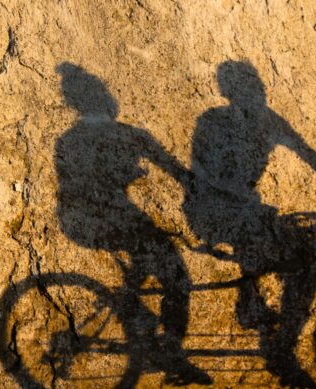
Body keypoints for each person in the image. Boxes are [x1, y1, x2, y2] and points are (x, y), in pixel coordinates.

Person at [185, 60, 316, 387]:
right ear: (229, 91)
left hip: (247, 207)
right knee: (268, 231)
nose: (256, 92)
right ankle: (257, 314)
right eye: (247, 86)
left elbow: (307, 152)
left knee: (303, 252)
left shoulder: (269, 120)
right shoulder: (213, 120)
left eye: (258, 86)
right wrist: (238, 194)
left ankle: (278, 335)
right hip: (210, 206)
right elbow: (201, 171)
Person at [54, 62, 211, 385]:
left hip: (85, 221)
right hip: (101, 218)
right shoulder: (120, 136)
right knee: (177, 274)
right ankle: (169, 353)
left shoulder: (73, 139)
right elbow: (177, 172)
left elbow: (176, 171)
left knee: (152, 257)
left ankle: (140, 321)